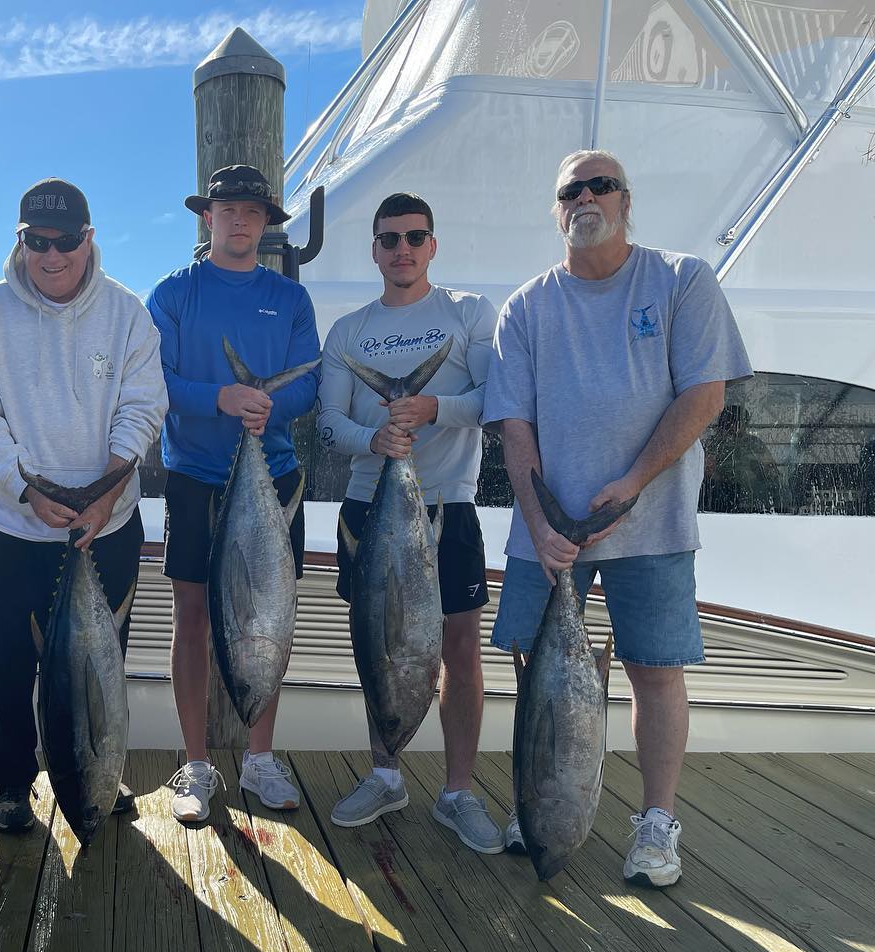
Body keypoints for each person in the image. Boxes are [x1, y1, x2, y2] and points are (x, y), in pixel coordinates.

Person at [483, 150, 752, 887]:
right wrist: (540, 524)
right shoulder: (525, 308)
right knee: (530, 673)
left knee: (655, 674)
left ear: (626, 202)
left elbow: (705, 396)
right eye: (571, 190)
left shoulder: (682, 279)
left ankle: (657, 823)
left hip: (651, 522)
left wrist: (632, 483)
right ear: (557, 210)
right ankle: (539, 800)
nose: (586, 198)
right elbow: (514, 427)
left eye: (602, 186)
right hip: (548, 535)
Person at [0, 178, 167, 832]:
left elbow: (144, 404)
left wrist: (107, 491)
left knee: (101, 667)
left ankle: (100, 769)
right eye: (36, 242)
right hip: (10, 524)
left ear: (88, 238)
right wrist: (24, 488)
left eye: (65, 240)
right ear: (21, 241)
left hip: (108, 523)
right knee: (4, 664)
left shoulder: (127, 313)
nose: (51, 255)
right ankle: (12, 784)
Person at [318, 191, 502, 852]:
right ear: (374, 249)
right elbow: (329, 422)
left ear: (432, 245)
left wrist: (431, 410)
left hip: (448, 503)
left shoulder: (469, 312)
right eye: (389, 238)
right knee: (378, 642)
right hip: (370, 503)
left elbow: (492, 399)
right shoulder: (348, 332)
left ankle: (457, 792)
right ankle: (385, 775)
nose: (402, 249)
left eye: (414, 237)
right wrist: (374, 440)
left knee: (460, 648)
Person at [148, 164, 321, 823]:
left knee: (270, 614)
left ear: (266, 222)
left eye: (253, 210)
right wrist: (219, 398)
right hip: (195, 475)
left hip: (272, 475)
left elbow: (309, 384)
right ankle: (196, 764)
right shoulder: (173, 293)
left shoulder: (291, 299)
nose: (240, 220)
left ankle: (259, 759)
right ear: (208, 217)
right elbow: (155, 380)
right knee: (190, 615)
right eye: (228, 209)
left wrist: (268, 408)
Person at [701, 402, 781, 513]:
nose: (735, 426)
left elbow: (771, 470)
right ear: (723, 423)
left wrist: (759, 470)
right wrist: (721, 480)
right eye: (730, 422)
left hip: (753, 498)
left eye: (740, 422)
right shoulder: (713, 443)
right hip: (719, 495)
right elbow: (706, 470)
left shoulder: (755, 443)